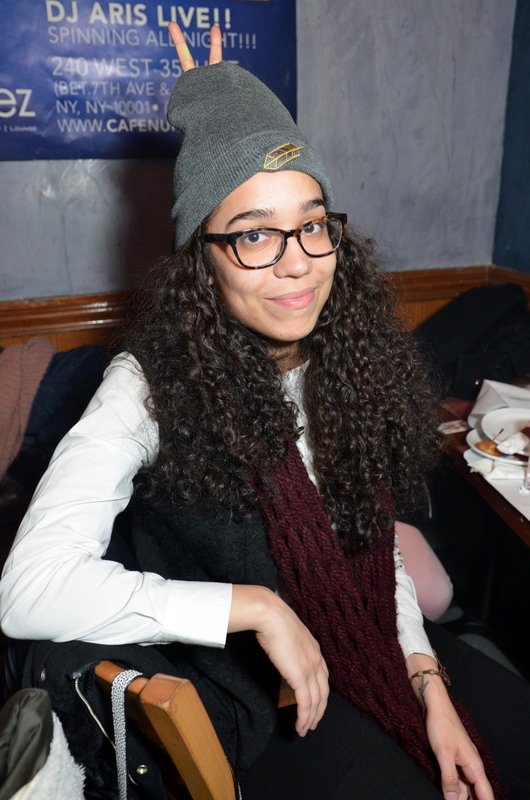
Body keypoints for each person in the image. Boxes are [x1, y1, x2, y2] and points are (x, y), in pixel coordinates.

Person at [1, 24, 529, 800]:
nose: (298, 263)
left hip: (371, 641)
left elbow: (372, 547)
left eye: (311, 224)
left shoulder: (343, 360)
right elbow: (28, 590)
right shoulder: (147, 386)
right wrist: (254, 608)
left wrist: (427, 680)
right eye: (254, 234)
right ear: (202, 260)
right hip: (258, 701)